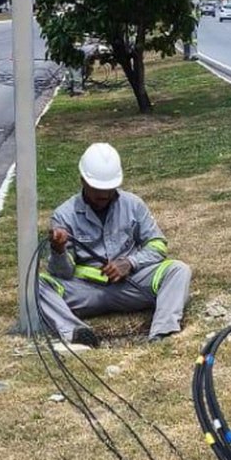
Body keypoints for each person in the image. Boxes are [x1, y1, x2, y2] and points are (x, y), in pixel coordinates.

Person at [37, 143, 191, 347]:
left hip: (131, 284)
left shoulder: (133, 205)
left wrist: (130, 263)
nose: (104, 196)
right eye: (97, 190)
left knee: (178, 270)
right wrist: (58, 250)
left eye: (109, 190)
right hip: (87, 291)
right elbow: (63, 273)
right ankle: (75, 332)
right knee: (36, 284)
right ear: (82, 180)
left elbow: (158, 245)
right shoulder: (64, 215)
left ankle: (162, 334)